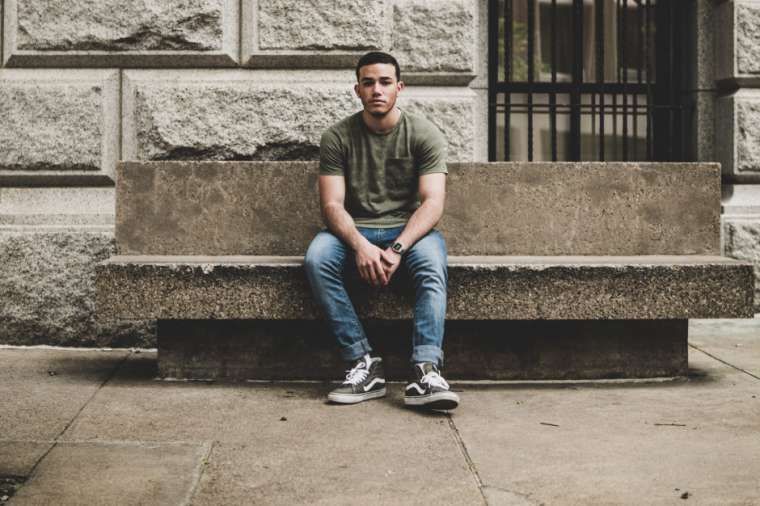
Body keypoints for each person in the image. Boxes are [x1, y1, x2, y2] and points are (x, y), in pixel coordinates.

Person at [303, 52, 459, 410]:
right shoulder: (337, 137)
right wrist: (360, 245)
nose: (377, 89)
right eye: (369, 82)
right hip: (354, 231)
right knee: (317, 258)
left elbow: (433, 203)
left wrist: (398, 248)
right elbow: (331, 206)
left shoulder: (423, 133)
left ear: (399, 88)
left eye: (385, 82)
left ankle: (425, 371)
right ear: (357, 90)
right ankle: (363, 362)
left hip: (409, 232)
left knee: (433, 263)